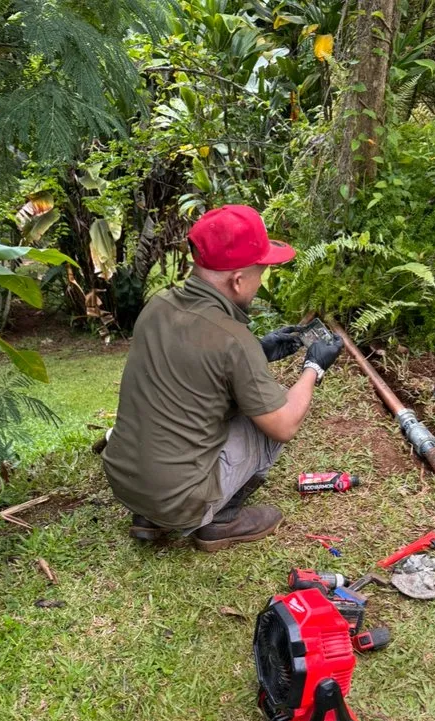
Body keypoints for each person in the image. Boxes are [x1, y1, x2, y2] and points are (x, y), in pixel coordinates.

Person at [102, 204, 343, 552]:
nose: (260, 283)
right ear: (238, 279)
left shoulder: (158, 306)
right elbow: (284, 425)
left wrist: (260, 350)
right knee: (273, 405)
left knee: (233, 402)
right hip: (182, 499)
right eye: (261, 273)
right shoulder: (232, 337)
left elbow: (194, 368)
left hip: (125, 482)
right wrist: (313, 368)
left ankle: (148, 516)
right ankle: (221, 520)